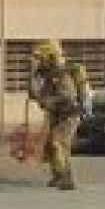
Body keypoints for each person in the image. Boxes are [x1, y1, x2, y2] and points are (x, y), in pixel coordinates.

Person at [28, 39, 90, 190]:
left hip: (70, 113)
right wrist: (33, 75)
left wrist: (49, 101)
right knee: (52, 144)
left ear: (50, 56)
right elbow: (34, 94)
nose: (39, 61)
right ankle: (58, 176)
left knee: (58, 143)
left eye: (41, 58)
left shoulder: (62, 73)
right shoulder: (48, 73)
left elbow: (68, 96)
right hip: (57, 113)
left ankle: (66, 178)